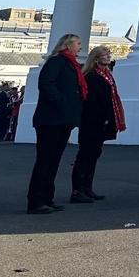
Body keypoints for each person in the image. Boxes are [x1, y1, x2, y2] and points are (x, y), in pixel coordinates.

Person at [26, 34, 86, 215]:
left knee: (53, 161)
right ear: (67, 45)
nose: (80, 47)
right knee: (45, 160)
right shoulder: (57, 62)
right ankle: (36, 201)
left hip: (62, 120)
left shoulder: (71, 65)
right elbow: (46, 83)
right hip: (51, 119)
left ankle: (47, 198)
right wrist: (61, 101)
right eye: (78, 43)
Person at [70, 46, 126, 203]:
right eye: (104, 55)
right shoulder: (91, 76)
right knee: (85, 154)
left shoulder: (107, 76)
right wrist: (102, 118)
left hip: (102, 121)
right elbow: (92, 101)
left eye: (108, 54)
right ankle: (77, 190)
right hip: (92, 121)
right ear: (95, 58)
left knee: (94, 154)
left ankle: (87, 188)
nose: (108, 57)